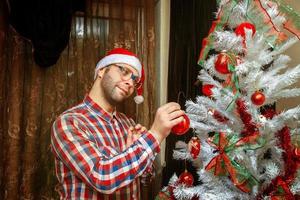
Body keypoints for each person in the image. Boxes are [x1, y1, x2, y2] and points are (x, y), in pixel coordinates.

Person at [51, 48, 185, 199]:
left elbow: (146, 179)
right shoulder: (69, 122)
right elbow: (102, 178)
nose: (130, 82)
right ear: (101, 71)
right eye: (124, 70)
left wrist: (134, 149)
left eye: (135, 79)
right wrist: (155, 134)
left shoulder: (128, 123)